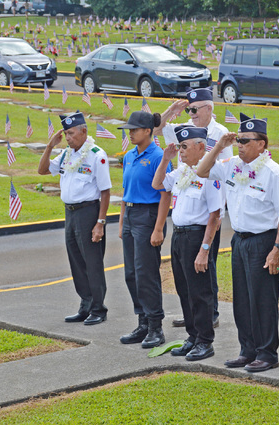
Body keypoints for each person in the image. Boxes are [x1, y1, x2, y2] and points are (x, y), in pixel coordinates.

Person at [197, 113, 279, 373]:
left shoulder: (273, 173)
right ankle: (247, 349)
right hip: (239, 240)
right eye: (238, 139)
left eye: (245, 140)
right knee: (242, 299)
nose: (239, 144)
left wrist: (277, 248)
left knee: (263, 300)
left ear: (261, 144)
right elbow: (201, 170)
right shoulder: (231, 164)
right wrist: (219, 145)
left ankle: (267, 353)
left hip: (263, 241)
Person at [155, 87, 230, 328]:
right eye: (189, 109)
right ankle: (194, 317)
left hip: (209, 201)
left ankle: (211, 314)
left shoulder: (221, 133)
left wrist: (219, 212)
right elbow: (155, 130)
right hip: (186, 194)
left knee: (206, 264)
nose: (191, 113)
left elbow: (226, 170)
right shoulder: (183, 129)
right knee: (186, 271)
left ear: (209, 108)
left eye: (195, 109)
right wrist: (171, 111)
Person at [152, 126, 223, 361]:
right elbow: (157, 184)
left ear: (201, 147)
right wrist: (165, 160)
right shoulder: (182, 171)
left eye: (184, 146)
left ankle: (205, 340)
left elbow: (215, 215)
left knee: (199, 292)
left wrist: (205, 250)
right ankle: (192, 336)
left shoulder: (210, 175)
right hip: (179, 235)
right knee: (184, 290)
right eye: (179, 146)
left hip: (197, 237)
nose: (180, 151)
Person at [38, 111, 111, 326]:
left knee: (92, 262)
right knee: (76, 261)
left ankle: (98, 308)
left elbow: (105, 191)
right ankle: (85, 304)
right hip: (70, 212)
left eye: (71, 133)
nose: (68, 138)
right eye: (65, 134)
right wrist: (50, 146)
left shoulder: (97, 155)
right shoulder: (65, 155)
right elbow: (42, 170)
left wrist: (100, 223)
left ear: (83, 131)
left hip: (89, 212)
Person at [117, 111, 172, 349]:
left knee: (146, 273)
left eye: (134, 129)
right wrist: (121, 223)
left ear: (148, 131)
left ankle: (155, 326)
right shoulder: (129, 156)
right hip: (130, 215)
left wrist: (158, 228)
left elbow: (165, 195)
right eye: (129, 129)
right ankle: (142, 321)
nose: (130, 133)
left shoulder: (159, 156)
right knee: (131, 272)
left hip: (147, 216)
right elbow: (125, 190)